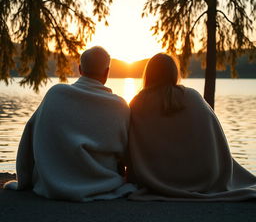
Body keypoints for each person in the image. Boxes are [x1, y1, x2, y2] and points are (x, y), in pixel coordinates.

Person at [4, 46, 136, 201]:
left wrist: (24, 179)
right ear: (107, 73)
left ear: (80, 69)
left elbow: (29, 137)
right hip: (103, 183)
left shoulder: (55, 94)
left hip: (51, 185)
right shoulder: (119, 106)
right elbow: (127, 154)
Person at [127, 53, 256, 201]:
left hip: (154, 179)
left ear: (148, 74)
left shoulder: (138, 103)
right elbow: (216, 141)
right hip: (204, 177)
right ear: (174, 73)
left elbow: (130, 145)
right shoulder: (192, 97)